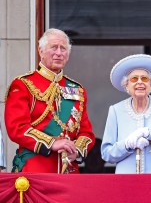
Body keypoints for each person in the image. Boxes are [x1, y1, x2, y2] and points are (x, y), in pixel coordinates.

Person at [4, 28, 95, 173]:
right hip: (35, 170)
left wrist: (76, 151)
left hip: (69, 172)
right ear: (41, 51)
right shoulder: (23, 84)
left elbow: (87, 133)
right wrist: (52, 143)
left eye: (63, 48)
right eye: (54, 47)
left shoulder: (77, 89)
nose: (59, 53)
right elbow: (17, 127)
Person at [101, 54, 151, 174]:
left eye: (144, 79)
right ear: (126, 86)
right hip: (126, 182)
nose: (139, 82)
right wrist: (126, 145)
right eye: (134, 79)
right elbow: (107, 154)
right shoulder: (116, 110)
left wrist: (149, 134)